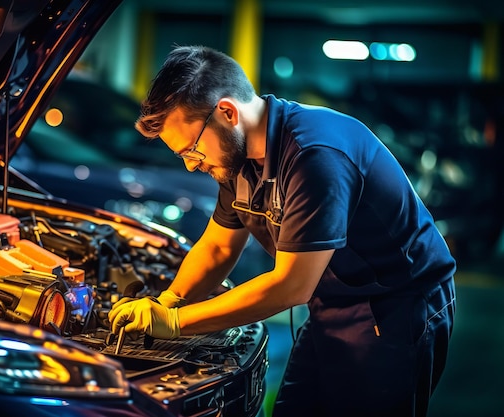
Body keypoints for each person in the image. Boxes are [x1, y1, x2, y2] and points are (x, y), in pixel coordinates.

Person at [108, 45, 456, 417]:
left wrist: (176, 324)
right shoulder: (239, 159)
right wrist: (167, 301)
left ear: (227, 112)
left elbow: (291, 284)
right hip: (332, 303)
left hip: (396, 308)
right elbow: (218, 249)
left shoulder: (315, 154)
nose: (193, 166)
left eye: (192, 150)